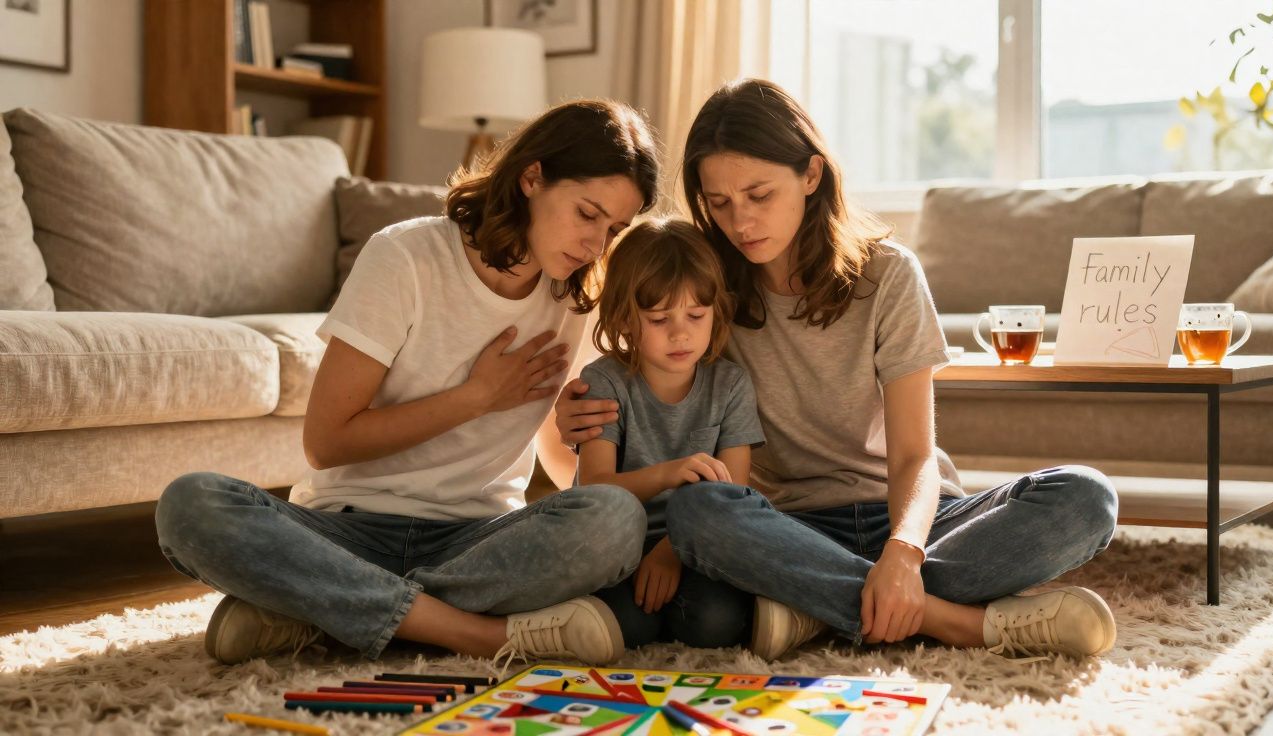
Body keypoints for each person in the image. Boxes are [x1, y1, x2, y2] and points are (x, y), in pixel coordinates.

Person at [555, 79, 1119, 661]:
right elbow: (634, 368)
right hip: (786, 527)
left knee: (1086, 497)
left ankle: (819, 603)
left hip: (911, 521)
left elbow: (913, 455)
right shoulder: (710, 286)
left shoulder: (889, 275)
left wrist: (903, 554)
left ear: (811, 175)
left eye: (759, 194)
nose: (740, 222)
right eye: (718, 203)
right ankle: (952, 621)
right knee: (700, 510)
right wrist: (574, 414)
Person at [155, 99, 660, 667]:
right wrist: (476, 398)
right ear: (532, 177)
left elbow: (560, 465)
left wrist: (573, 439)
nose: (596, 245)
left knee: (615, 520)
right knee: (191, 505)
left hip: (477, 540)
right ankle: (474, 633)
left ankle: (317, 607)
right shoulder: (405, 256)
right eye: (587, 214)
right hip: (347, 528)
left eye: (614, 229)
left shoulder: (577, 296)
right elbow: (326, 443)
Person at [574, 219, 763, 648]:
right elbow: (595, 487)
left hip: (696, 546)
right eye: (659, 319)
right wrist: (669, 473)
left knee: (715, 623)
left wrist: (672, 551)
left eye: (696, 315)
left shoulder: (730, 384)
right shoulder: (604, 381)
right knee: (630, 626)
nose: (681, 333)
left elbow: (732, 497)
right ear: (624, 318)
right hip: (618, 545)